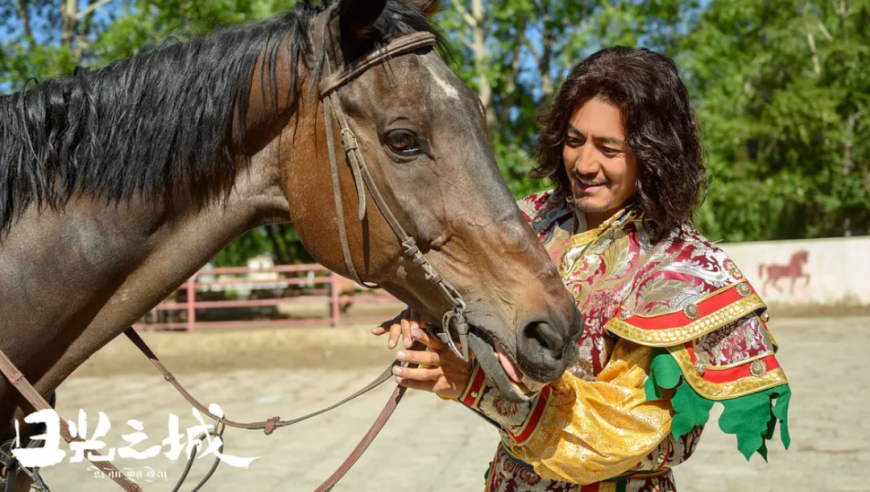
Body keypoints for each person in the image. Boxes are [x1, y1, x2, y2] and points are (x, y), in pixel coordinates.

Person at [373, 46, 790, 492]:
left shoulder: (683, 271)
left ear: (653, 154)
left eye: (609, 148)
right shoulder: (523, 225)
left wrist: (473, 385)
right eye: (574, 141)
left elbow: (623, 436)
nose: (584, 165)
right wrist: (434, 324)